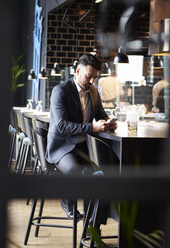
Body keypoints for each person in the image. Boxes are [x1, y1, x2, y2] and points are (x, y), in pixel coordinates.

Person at [45, 54, 117, 234]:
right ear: (78, 71)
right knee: (77, 172)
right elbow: (62, 126)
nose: (92, 81)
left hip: (85, 147)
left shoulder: (93, 91)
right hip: (62, 148)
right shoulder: (60, 91)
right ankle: (67, 201)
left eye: (95, 77)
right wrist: (93, 127)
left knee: (108, 172)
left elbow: (100, 114)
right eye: (88, 76)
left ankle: (93, 225)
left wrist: (108, 123)